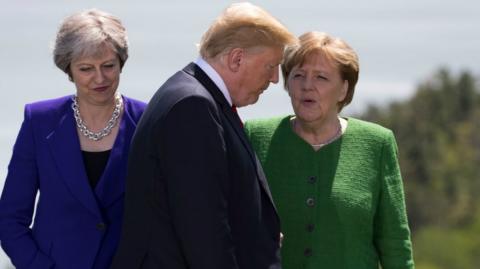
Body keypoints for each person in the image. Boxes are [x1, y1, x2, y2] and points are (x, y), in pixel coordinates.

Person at [110, 3, 294, 269]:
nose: (275, 79)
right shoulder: (192, 106)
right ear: (237, 59)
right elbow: (204, 229)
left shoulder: (197, 97)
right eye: (270, 65)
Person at [244, 31, 415, 269]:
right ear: (287, 84)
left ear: (344, 90)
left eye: (321, 78)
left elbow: (394, 243)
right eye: (298, 75)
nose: (307, 86)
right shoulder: (256, 136)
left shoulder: (377, 143)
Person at [0, 9, 146, 269]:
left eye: (108, 66)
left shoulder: (148, 120)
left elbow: (168, 214)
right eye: (86, 69)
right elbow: (10, 220)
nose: (99, 78)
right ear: (69, 69)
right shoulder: (39, 121)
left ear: (121, 62)